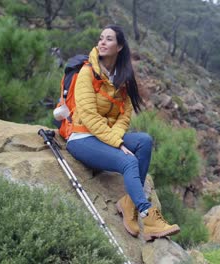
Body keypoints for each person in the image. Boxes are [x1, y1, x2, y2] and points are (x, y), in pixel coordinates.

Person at [66, 25, 180, 240]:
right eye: (100, 38)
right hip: (82, 137)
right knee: (129, 161)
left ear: (119, 47)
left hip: (106, 137)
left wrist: (115, 138)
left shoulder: (122, 79)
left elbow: (124, 116)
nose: (102, 42)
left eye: (108, 39)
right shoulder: (87, 72)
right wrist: (117, 144)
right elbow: (88, 116)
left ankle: (128, 204)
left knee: (144, 141)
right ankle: (148, 215)